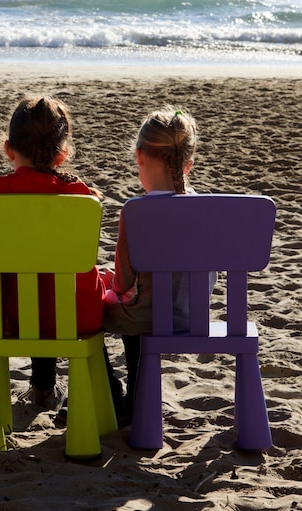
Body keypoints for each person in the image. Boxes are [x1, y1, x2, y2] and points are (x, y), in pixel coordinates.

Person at [0, 95, 125, 417]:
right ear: (61, 155)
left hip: (14, 313)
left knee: (34, 288)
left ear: (9, 149)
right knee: (64, 291)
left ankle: (43, 389)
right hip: (76, 314)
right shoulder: (80, 195)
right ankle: (105, 395)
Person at [102, 106, 214, 425]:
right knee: (140, 307)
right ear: (188, 165)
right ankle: (137, 398)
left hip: (147, 316)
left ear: (139, 157)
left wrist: (110, 286)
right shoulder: (207, 209)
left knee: (96, 313)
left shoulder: (136, 211)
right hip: (192, 315)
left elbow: (123, 284)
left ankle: (116, 396)